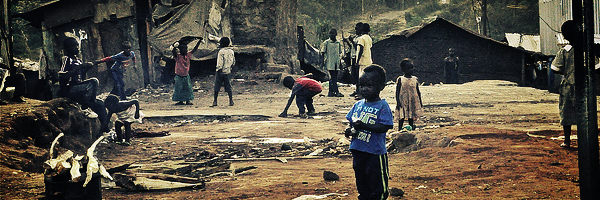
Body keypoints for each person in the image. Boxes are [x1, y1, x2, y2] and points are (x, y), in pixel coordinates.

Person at [343, 64, 393, 199]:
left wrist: (363, 126)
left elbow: (385, 127)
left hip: (375, 153)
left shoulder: (382, 106)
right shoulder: (358, 105)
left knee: (378, 186)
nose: (364, 89)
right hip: (358, 150)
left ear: (381, 87)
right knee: (362, 182)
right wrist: (349, 130)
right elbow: (351, 122)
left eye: (369, 86)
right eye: (361, 86)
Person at [59, 37, 109, 133]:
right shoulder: (66, 59)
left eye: (77, 46)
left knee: (101, 104)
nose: (77, 48)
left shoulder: (78, 60)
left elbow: (81, 76)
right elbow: (64, 75)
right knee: (94, 81)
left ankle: (105, 130)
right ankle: (88, 103)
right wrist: (80, 66)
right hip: (69, 89)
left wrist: (86, 68)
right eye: (74, 46)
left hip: (79, 89)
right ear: (67, 48)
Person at [550, 20, 580, 148]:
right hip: (582, 87)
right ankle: (584, 141)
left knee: (566, 113)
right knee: (583, 114)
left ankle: (567, 141)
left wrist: (566, 71)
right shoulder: (585, 51)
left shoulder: (564, 51)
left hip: (567, 86)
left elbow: (555, 68)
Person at [172, 37, 202, 105]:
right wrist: (175, 46)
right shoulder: (179, 56)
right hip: (181, 75)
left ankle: (185, 101)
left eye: (185, 49)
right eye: (183, 49)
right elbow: (173, 51)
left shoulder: (184, 55)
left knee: (185, 88)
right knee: (182, 88)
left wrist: (199, 42)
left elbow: (195, 49)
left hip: (184, 75)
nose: (185, 50)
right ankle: (182, 101)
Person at [395, 58, 423, 131]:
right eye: (408, 68)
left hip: (412, 100)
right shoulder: (400, 79)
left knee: (411, 115)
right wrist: (398, 102)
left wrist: (420, 101)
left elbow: (417, 91)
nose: (411, 70)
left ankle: (411, 127)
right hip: (403, 101)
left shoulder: (415, 79)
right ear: (403, 70)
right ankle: (400, 129)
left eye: (412, 68)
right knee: (402, 115)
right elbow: (397, 91)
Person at [212, 37, 235, 107]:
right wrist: (230, 67)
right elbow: (233, 61)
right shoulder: (231, 51)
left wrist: (219, 70)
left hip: (220, 71)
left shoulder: (221, 52)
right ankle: (231, 100)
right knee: (228, 86)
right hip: (227, 71)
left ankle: (215, 101)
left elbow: (220, 62)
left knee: (217, 86)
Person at [321, 28, 344, 97]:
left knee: (333, 78)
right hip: (330, 63)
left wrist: (340, 63)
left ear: (336, 34)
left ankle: (330, 92)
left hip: (336, 63)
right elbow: (322, 53)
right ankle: (336, 91)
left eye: (332, 33)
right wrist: (322, 62)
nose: (331, 35)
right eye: (330, 33)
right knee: (333, 77)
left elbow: (339, 54)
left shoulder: (338, 43)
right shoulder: (326, 43)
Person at [354, 23, 373, 99]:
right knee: (367, 79)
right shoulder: (369, 38)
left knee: (361, 79)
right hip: (368, 60)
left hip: (362, 61)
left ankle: (361, 94)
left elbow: (361, 49)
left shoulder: (361, 38)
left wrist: (357, 61)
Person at [345, 22, 362, 97]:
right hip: (353, 57)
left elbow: (357, 48)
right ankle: (357, 90)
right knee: (354, 75)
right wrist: (348, 42)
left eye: (357, 29)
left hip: (357, 58)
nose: (356, 30)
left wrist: (351, 41)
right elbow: (352, 47)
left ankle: (359, 91)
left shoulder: (361, 38)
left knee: (358, 75)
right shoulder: (356, 37)